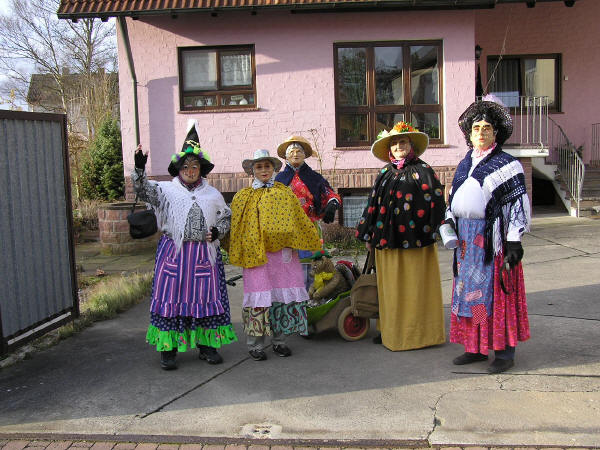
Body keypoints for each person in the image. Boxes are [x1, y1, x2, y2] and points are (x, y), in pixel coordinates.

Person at [132, 122, 237, 370]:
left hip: (204, 256)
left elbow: (225, 217)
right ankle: (168, 349)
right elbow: (143, 190)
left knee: (206, 298)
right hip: (174, 254)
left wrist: (217, 231)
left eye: (195, 166)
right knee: (171, 298)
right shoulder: (165, 191)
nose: (190, 170)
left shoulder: (212, 194)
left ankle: (207, 345)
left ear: (201, 169)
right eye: (185, 166)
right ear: (179, 169)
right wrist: (139, 168)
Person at [446, 98, 530, 374]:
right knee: (472, 295)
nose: (481, 133)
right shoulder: (465, 164)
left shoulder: (508, 165)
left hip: (492, 241)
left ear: (496, 133)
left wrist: (514, 240)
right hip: (465, 242)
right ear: (469, 135)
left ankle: (504, 352)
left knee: (495, 295)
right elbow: (453, 199)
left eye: (487, 128)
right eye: (476, 128)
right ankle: (477, 346)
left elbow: (517, 206)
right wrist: (448, 220)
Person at [355, 122, 446, 351]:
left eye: (402, 142)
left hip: (417, 242)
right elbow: (373, 204)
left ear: (411, 145)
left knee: (415, 289)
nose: (398, 147)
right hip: (387, 241)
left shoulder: (424, 170)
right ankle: (390, 330)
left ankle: (418, 335)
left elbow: (436, 202)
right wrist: (369, 234)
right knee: (390, 289)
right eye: (394, 143)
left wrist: (437, 229)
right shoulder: (385, 173)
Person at [229, 149, 321, 361]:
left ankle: (279, 341)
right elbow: (237, 225)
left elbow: (298, 220)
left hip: (282, 256)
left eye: (267, 166)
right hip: (256, 255)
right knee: (259, 298)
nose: (264, 170)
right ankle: (255, 345)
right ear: (252, 170)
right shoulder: (243, 196)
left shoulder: (284, 192)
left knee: (281, 297)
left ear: (273, 169)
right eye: (259, 167)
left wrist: (302, 241)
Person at [274, 135, 341, 289]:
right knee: (288, 266)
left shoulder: (314, 178)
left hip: (310, 229)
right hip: (286, 231)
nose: (295, 154)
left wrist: (332, 205)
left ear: (305, 155)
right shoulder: (279, 180)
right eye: (291, 152)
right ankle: (291, 297)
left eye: (299, 151)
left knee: (312, 266)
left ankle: (312, 295)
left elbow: (330, 194)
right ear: (286, 157)